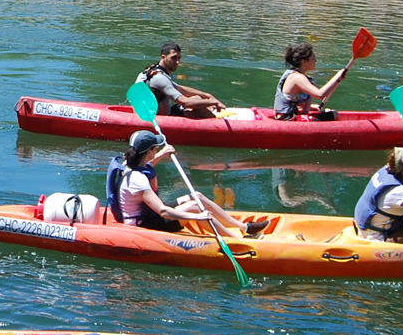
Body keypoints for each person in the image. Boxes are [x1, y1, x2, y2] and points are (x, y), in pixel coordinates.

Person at [107, 130, 244, 233]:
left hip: (149, 215)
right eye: (156, 148)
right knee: (195, 207)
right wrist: (198, 217)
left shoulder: (127, 164)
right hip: (142, 224)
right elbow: (163, 211)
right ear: (149, 152)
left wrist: (163, 153)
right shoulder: (138, 179)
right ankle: (235, 239)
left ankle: (243, 227)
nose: (157, 150)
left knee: (197, 196)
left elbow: (146, 164)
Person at [139, 42, 224, 118]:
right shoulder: (159, 78)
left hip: (155, 113)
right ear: (163, 57)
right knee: (200, 109)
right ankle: (219, 127)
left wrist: (206, 95)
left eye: (179, 58)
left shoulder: (155, 70)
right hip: (160, 119)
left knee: (197, 98)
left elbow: (179, 89)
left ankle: (214, 119)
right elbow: (186, 102)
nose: (177, 62)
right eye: (174, 58)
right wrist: (213, 102)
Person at [275, 41, 353, 120]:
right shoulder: (297, 77)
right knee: (334, 114)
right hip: (286, 119)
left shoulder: (308, 79)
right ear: (304, 62)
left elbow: (305, 110)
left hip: (292, 116)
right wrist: (337, 76)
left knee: (328, 111)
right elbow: (320, 95)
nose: (315, 61)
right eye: (313, 58)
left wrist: (337, 80)